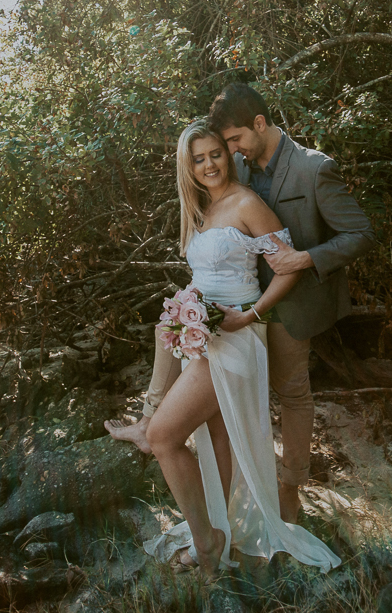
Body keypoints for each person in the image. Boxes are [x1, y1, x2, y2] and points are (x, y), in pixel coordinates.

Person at [107, 83, 375, 523]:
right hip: (239, 301)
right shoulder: (240, 169)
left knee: (292, 394)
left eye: (233, 141)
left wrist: (304, 258)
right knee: (221, 406)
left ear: (259, 124)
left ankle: (290, 488)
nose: (229, 152)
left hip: (291, 303)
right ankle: (226, 506)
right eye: (222, 146)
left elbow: (360, 234)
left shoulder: (313, 168)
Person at [138, 118, 341, 574]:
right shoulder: (202, 209)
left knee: (162, 437)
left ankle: (206, 542)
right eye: (199, 159)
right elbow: (207, 275)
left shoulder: (247, 202)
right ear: (187, 166)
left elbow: (287, 269)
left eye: (216, 154)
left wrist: (250, 314)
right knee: (217, 440)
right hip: (205, 338)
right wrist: (186, 312)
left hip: (236, 338)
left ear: (228, 155)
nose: (209, 164)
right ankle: (222, 531)